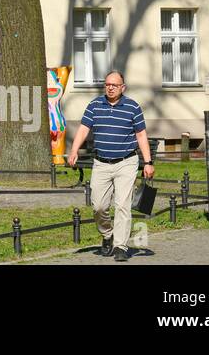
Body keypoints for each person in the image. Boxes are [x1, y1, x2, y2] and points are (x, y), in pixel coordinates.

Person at [66, 70, 154, 262]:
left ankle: (120, 246)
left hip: (126, 162)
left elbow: (141, 135)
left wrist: (148, 162)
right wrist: (74, 150)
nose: (110, 87)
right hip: (101, 163)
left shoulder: (133, 107)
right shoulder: (95, 105)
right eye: (107, 84)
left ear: (123, 87)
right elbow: (83, 130)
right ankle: (107, 234)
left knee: (122, 205)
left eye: (114, 85)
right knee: (98, 206)